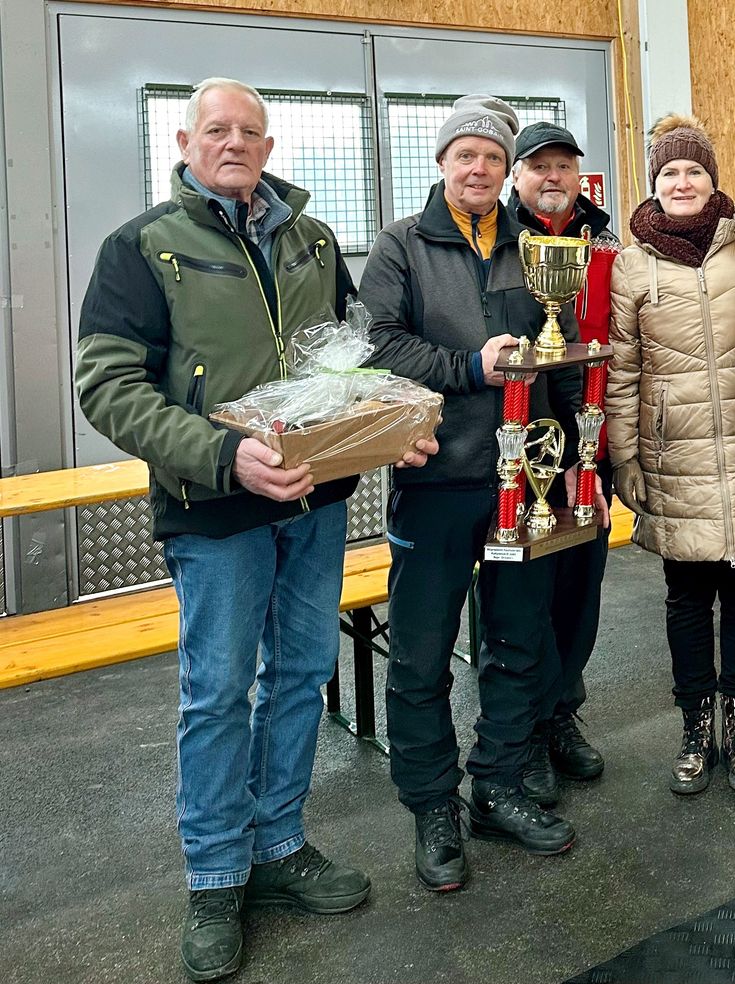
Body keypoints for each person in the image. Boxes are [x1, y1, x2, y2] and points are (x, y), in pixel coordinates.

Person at [75, 78, 435, 982]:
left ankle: (278, 846)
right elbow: (109, 387)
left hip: (313, 504)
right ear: (188, 141)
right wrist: (222, 455)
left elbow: (349, 364)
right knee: (218, 688)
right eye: (217, 130)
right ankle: (215, 875)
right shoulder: (143, 249)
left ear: (268, 149)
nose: (234, 143)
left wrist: (395, 424)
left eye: (250, 132)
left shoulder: (313, 241)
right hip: (217, 509)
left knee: (301, 677)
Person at [358, 94, 595, 893]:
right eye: (466, 154)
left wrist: (569, 455)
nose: (479, 168)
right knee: (421, 655)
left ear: (507, 170)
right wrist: (466, 368)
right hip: (438, 479)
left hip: (523, 480)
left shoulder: (533, 245)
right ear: (442, 162)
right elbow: (379, 347)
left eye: (493, 157)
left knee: (517, 639)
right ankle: (434, 806)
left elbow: (550, 349)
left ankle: (497, 782)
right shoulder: (401, 246)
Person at [609, 114, 735, 796]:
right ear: (653, 186)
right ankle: (694, 726)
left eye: (693, 171)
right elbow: (624, 371)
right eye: (668, 174)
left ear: (713, 179)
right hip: (672, 455)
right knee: (686, 601)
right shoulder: (632, 264)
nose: (682, 182)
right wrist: (625, 455)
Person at [508, 122, 622, 803]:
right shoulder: (500, 244)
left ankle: (561, 713)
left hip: (587, 443)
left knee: (579, 592)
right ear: (518, 178)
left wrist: (599, 454)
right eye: (539, 166)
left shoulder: (605, 244)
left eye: (564, 166)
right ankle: (523, 725)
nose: (553, 176)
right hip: (514, 451)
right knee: (525, 601)